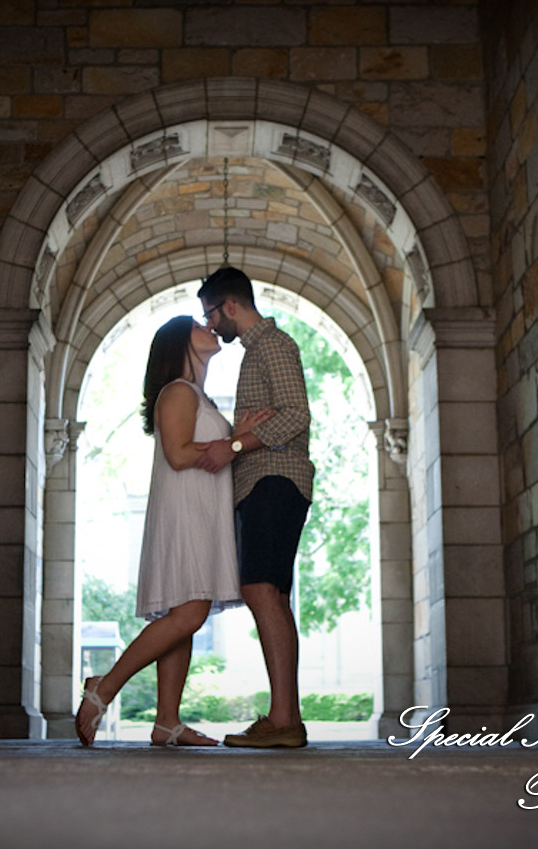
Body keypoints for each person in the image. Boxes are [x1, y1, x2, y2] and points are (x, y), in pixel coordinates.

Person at [75, 315, 273, 747]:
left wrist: (236, 436)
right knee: (190, 613)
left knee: (182, 616)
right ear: (181, 342)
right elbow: (180, 455)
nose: (210, 327)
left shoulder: (195, 395)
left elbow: (201, 450)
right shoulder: (178, 392)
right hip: (186, 512)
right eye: (199, 325)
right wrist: (237, 441)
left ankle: (167, 722)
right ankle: (103, 687)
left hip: (200, 511)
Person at [194, 267, 314, 749]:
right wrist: (238, 437)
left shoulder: (273, 345)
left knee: (261, 589)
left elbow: (295, 414)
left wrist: (236, 445)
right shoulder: (257, 352)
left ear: (230, 306)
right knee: (269, 594)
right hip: (264, 483)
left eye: (211, 314)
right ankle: (285, 717)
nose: (210, 325)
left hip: (275, 479)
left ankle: (284, 720)